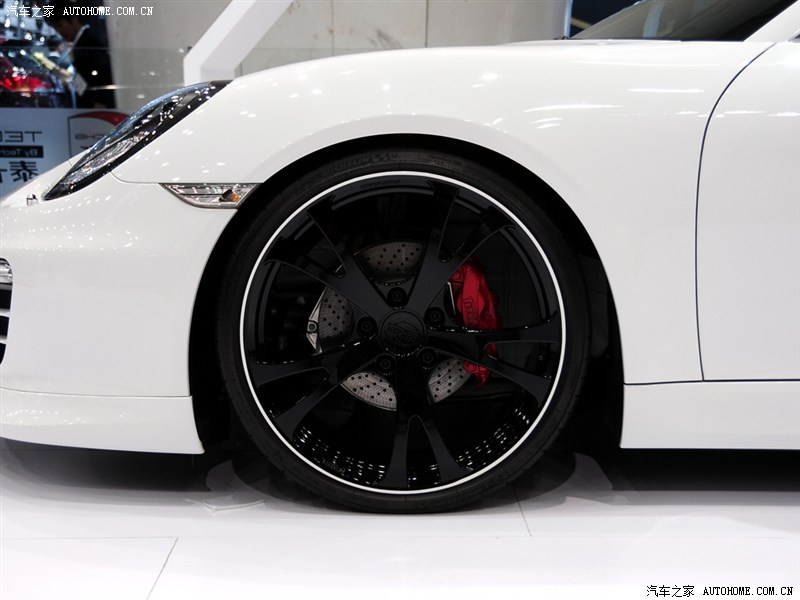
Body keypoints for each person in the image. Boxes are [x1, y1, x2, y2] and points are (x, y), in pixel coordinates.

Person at [44, 1, 115, 108]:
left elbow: (101, 80)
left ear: (74, 18)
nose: (59, 31)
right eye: (55, 28)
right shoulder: (81, 43)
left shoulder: (89, 42)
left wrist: (99, 107)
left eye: (60, 25)